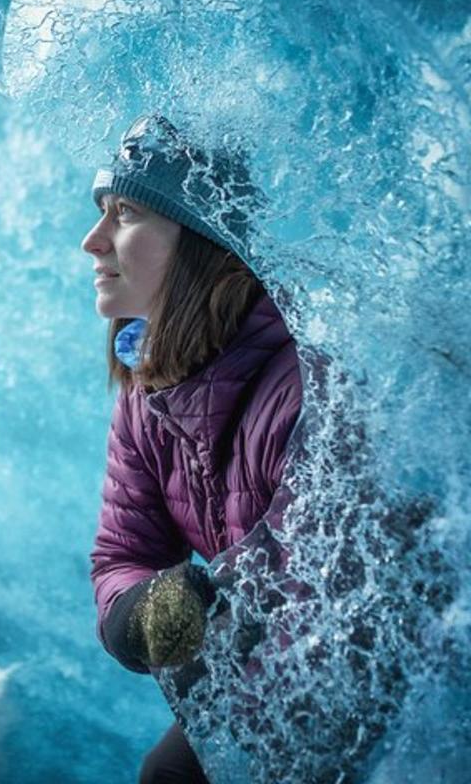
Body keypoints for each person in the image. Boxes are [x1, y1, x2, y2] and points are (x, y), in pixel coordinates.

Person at [82, 113, 305, 784]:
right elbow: (125, 554)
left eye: (125, 214)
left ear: (203, 242)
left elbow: (337, 618)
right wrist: (144, 614)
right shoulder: (148, 393)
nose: (93, 242)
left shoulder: (303, 392)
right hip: (274, 667)